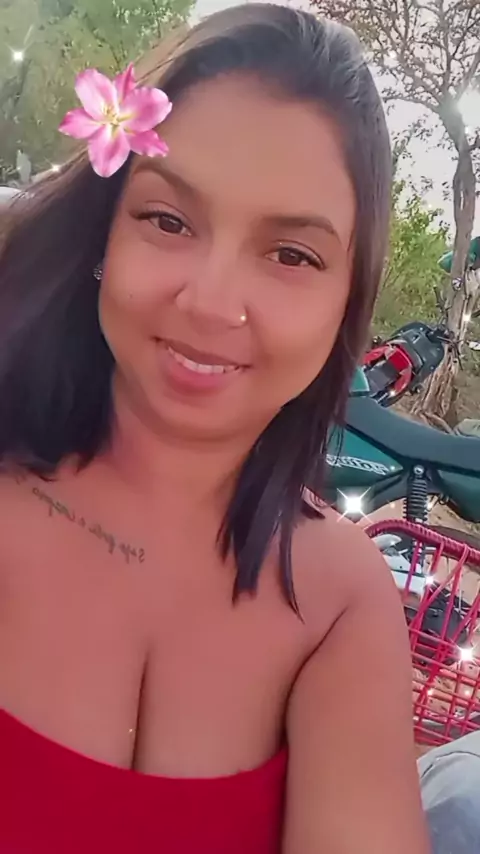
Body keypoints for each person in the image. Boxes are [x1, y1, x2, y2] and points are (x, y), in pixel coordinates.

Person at [0, 5, 430, 853]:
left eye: (292, 255)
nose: (210, 302)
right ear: (104, 233)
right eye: (168, 220)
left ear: (348, 301)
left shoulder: (338, 607)